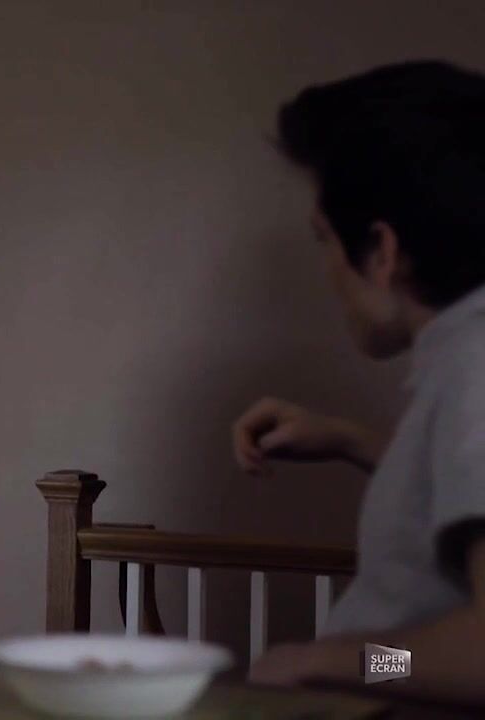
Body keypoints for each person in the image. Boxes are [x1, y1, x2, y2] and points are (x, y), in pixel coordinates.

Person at [231, 60, 485, 701]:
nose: (327, 268)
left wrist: (330, 662)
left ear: (381, 250)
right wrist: (350, 439)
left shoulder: (475, 368)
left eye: (324, 240)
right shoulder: (463, 362)